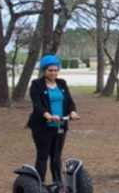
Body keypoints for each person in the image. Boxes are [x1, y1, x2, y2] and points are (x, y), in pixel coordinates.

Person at [27, 55, 80, 186]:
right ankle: (40, 184)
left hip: (60, 125)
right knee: (43, 155)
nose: (53, 73)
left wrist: (72, 111)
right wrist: (48, 115)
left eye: (55, 70)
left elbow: (69, 101)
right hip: (42, 126)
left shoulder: (62, 83)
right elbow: (37, 104)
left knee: (57, 156)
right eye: (50, 70)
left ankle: (58, 183)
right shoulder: (36, 85)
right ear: (44, 70)